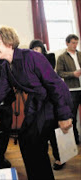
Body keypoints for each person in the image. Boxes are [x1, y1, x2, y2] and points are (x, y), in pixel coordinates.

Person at [0, 26, 73, 180]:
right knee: (24, 139)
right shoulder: (6, 67)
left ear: (9, 43)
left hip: (53, 99)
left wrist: (64, 116)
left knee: (35, 143)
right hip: (37, 100)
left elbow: (55, 85)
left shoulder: (32, 57)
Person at [29, 39, 65, 170]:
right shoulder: (29, 64)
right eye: (33, 49)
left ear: (42, 50)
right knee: (40, 132)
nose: (35, 51)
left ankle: (59, 158)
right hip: (37, 101)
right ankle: (42, 158)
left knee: (53, 132)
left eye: (37, 49)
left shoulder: (49, 59)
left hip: (50, 101)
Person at [57, 34, 81, 145]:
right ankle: (74, 140)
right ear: (67, 43)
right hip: (72, 90)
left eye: (76, 43)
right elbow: (59, 73)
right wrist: (73, 74)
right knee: (72, 117)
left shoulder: (80, 54)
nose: (75, 45)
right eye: (73, 43)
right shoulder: (62, 57)